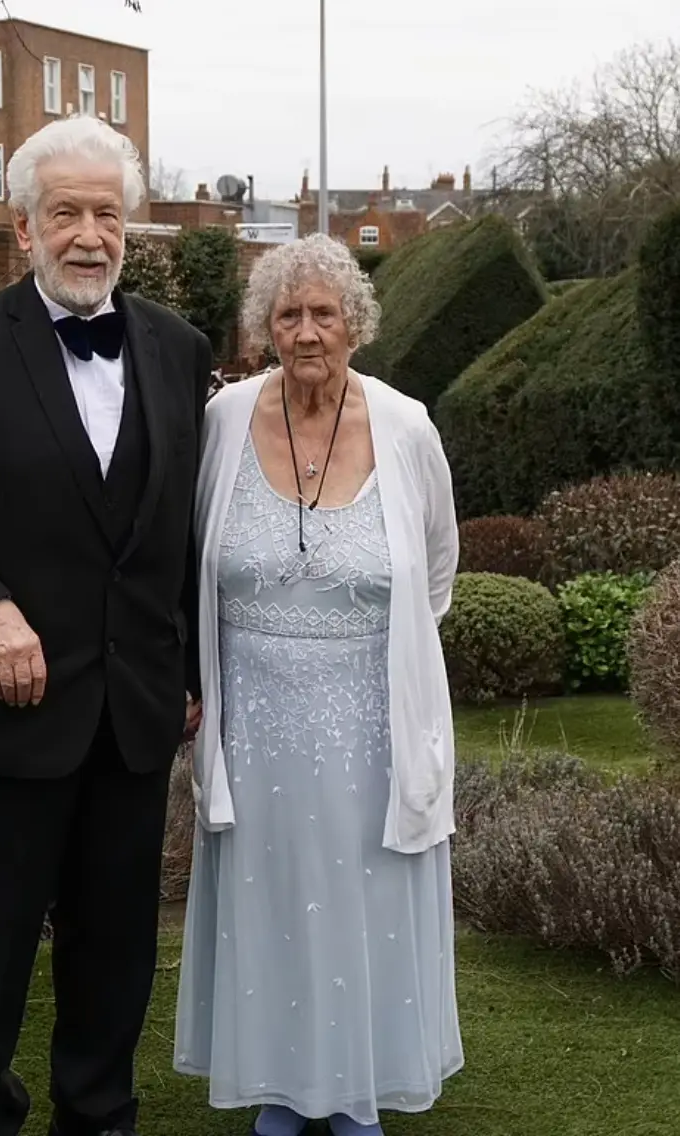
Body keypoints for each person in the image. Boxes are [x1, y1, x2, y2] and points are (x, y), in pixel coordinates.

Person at [0, 115, 211, 1136]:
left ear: (129, 225)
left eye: (107, 213)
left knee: (117, 949)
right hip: (4, 718)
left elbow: (182, 534)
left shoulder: (178, 349)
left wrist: (189, 667)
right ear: (24, 227)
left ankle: (98, 1115)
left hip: (134, 714)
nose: (88, 235)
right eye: (65, 213)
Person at [174, 233, 464, 1136]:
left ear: (355, 325)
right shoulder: (222, 421)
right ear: (265, 327)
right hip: (253, 722)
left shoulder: (407, 426)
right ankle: (280, 1087)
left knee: (364, 899)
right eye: (288, 314)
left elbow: (437, 570)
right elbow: (187, 557)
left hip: (371, 720)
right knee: (269, 900)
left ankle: (352, 1093)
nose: (306, 332)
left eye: (324, 314)